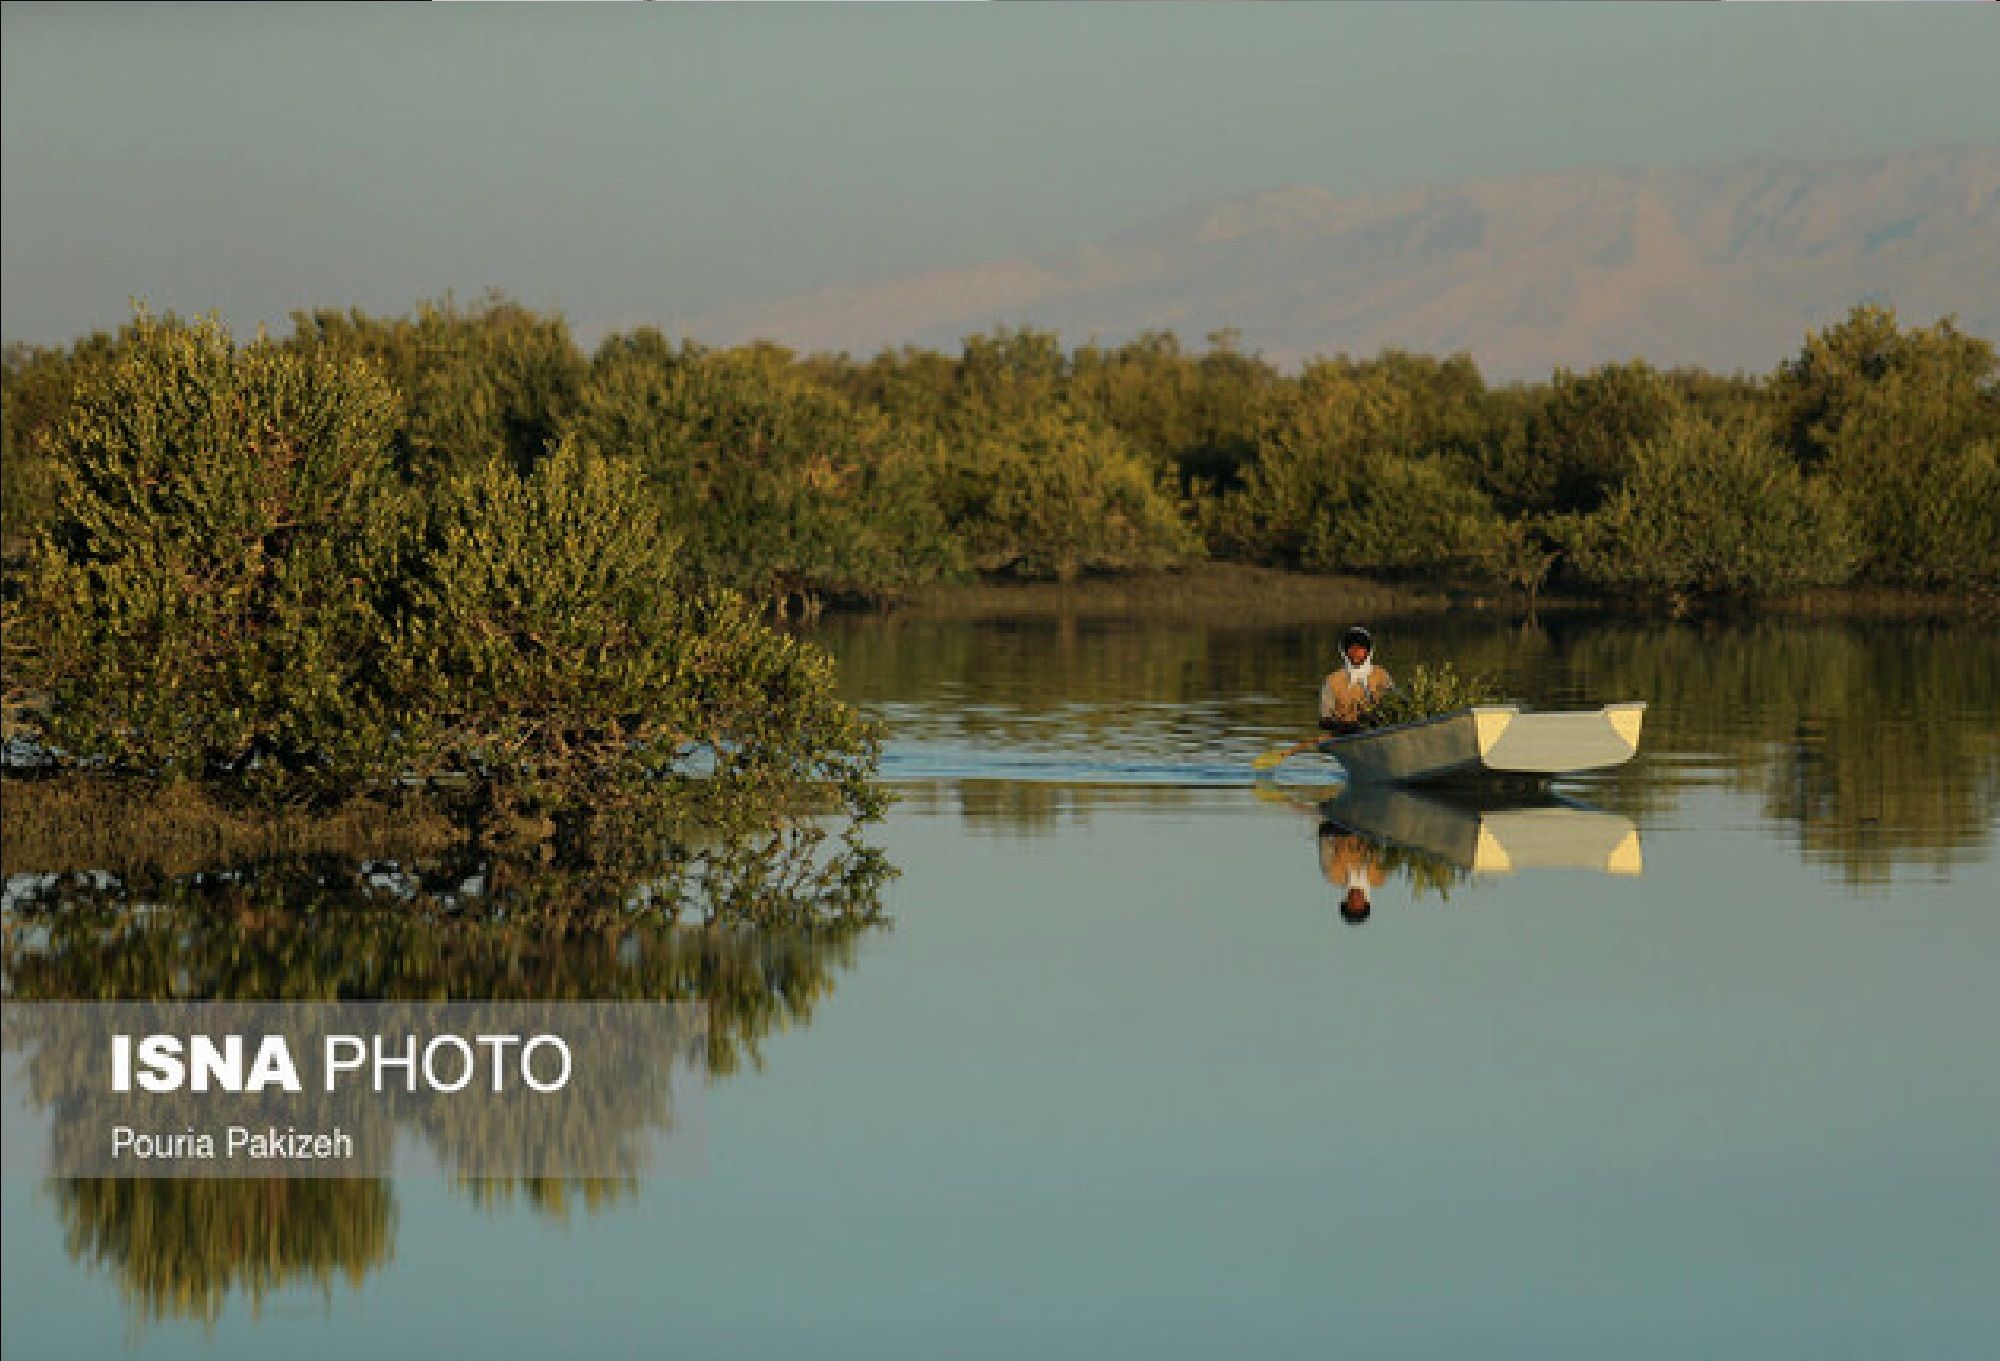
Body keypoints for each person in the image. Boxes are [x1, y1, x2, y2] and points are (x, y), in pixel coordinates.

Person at [1319, 626, 1393, 736]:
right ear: (1344, 652)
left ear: (1368, 651)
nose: (1355, 652)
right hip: (1345, 737)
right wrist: (1346, 727)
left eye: (1360, 647)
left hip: (1379, 733)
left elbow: (1393, 704)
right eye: (1351, 648)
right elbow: (1324, 720)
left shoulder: (1381, 676)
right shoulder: (1333, 680)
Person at [1318, 820, 1386, 925]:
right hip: (1374, 828)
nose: (1355, 901)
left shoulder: (1333, 875)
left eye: (1351, 905)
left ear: (1345, 902)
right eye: (1359, 905)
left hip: (1342, 825)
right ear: (1366, 903)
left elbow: (1324, 838)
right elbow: (1386, 848)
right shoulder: (1378, 879)